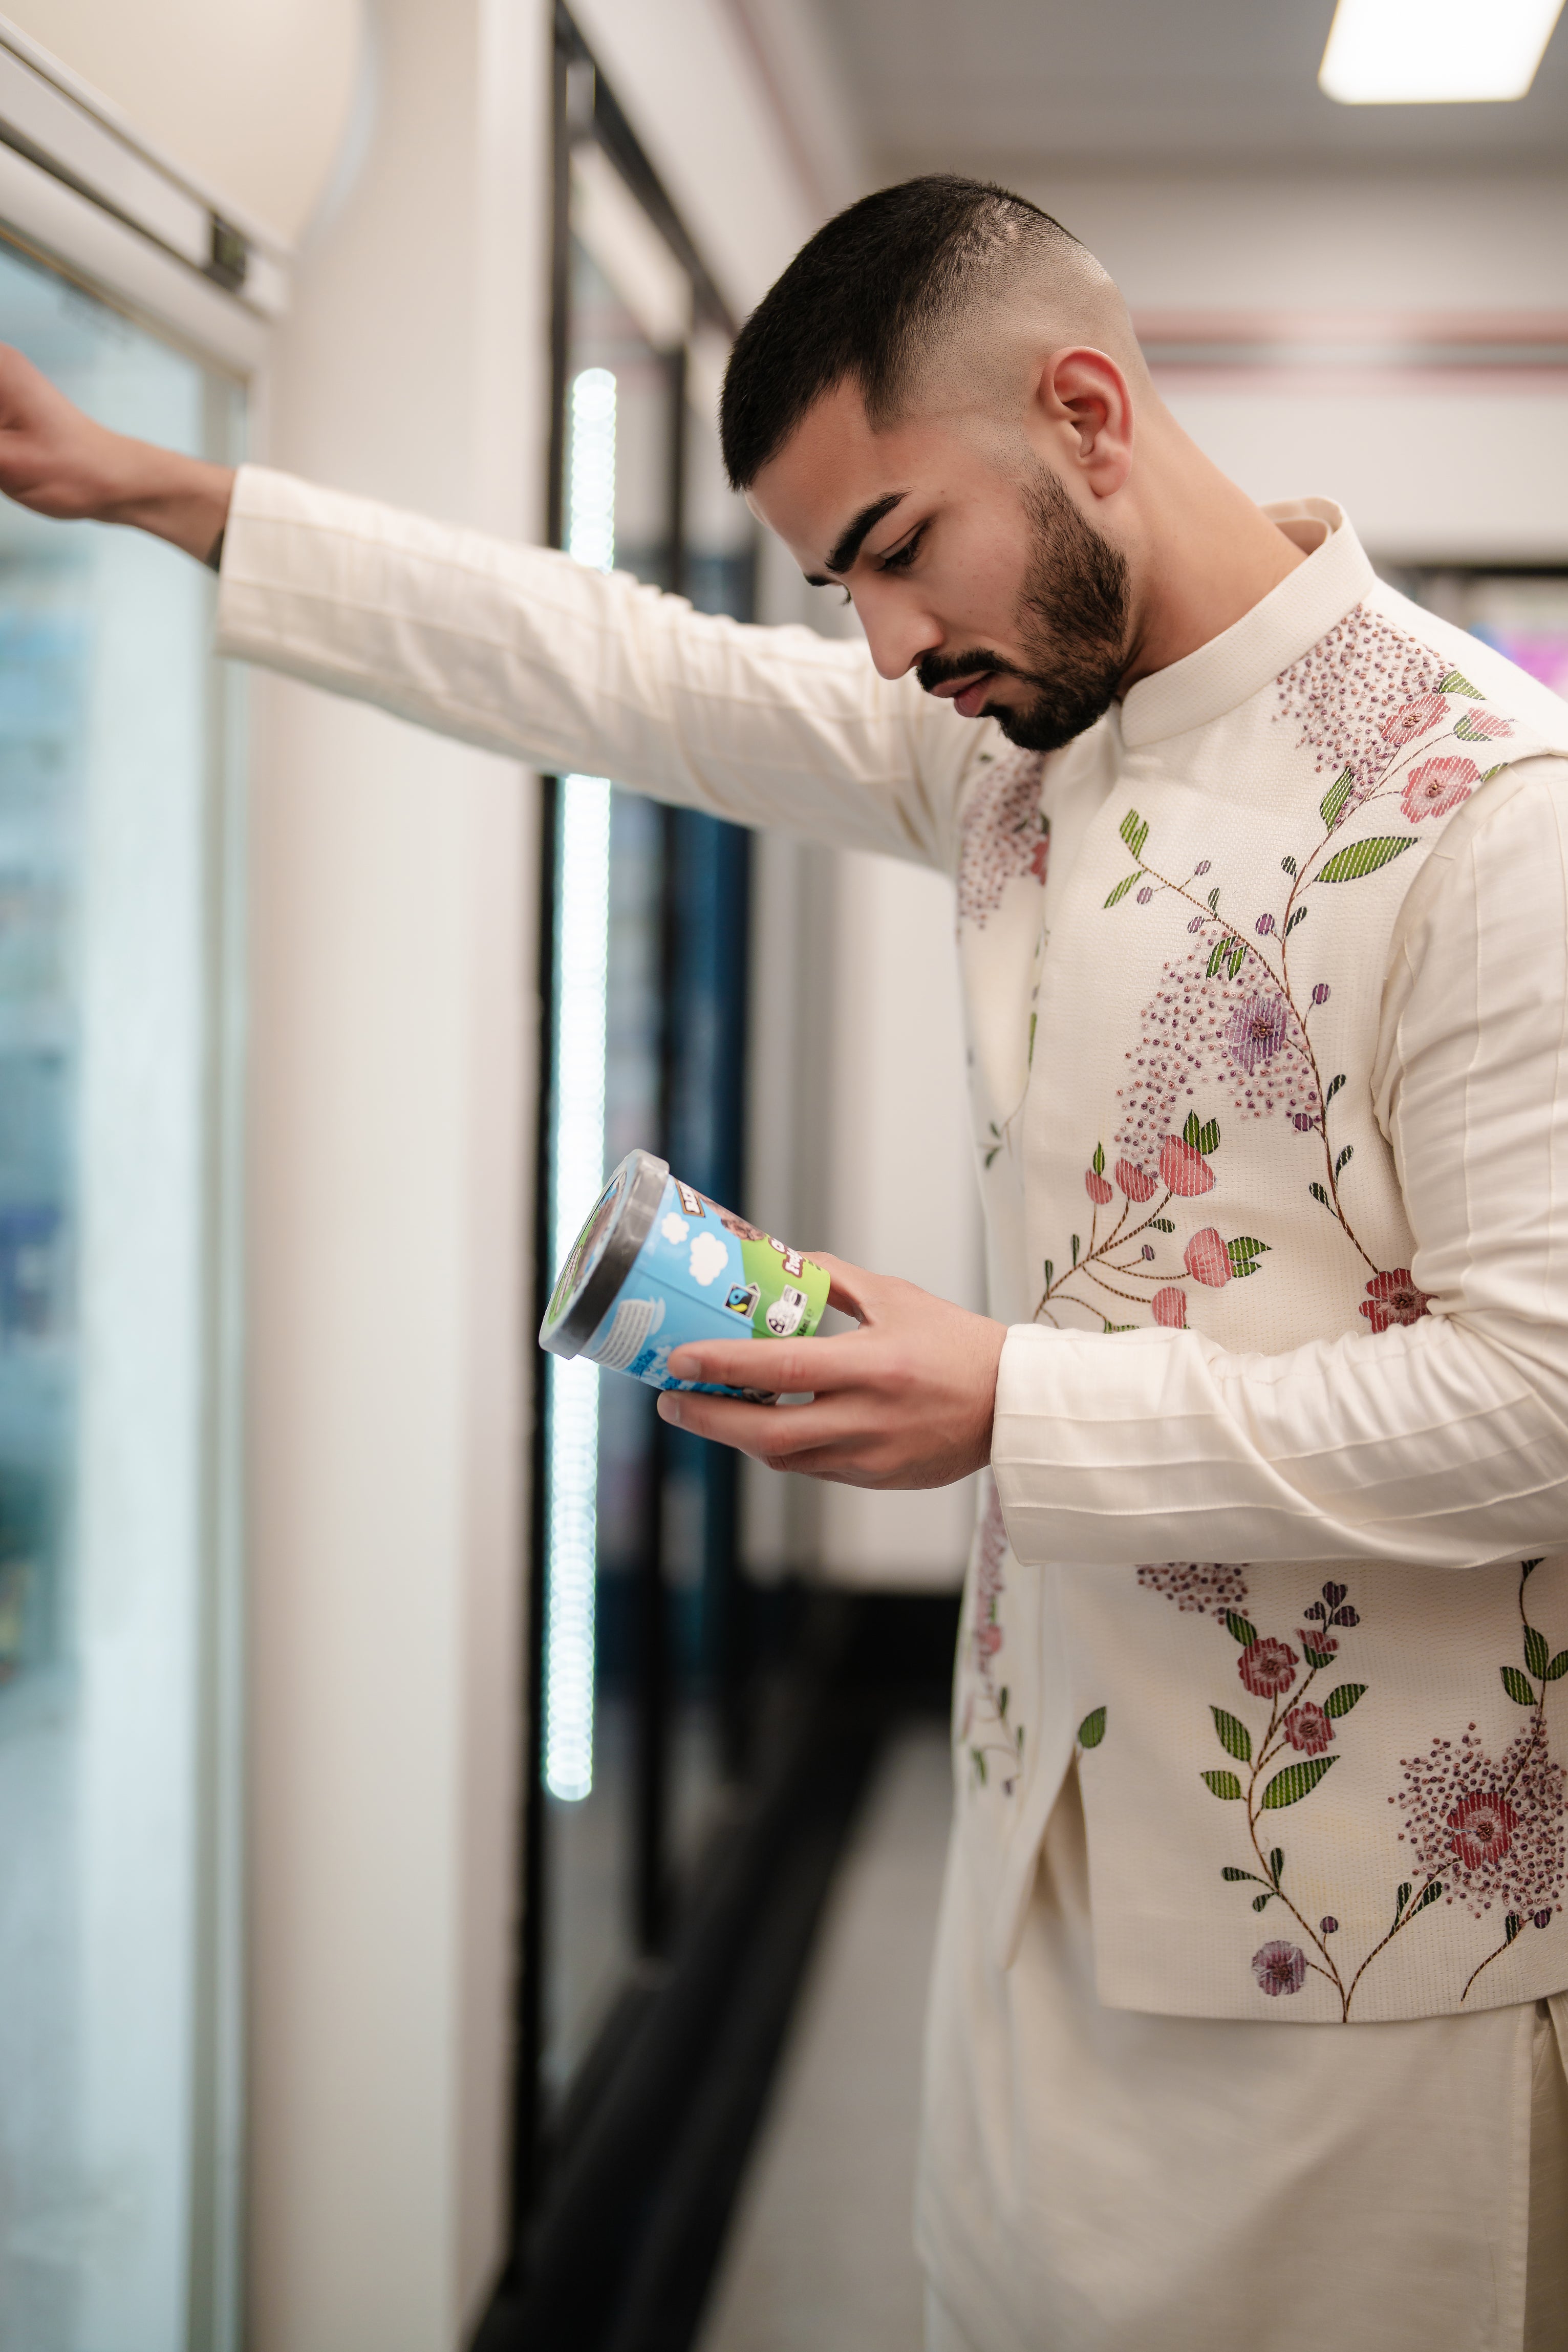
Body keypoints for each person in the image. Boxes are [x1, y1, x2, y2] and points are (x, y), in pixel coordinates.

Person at [3, 174, 1566, 2350]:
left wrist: (1005, 1403)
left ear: (1089, 414)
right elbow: (623, 670)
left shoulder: (1495, 814)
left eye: (899, 547)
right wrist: (167, 491)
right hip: (1027, 1855)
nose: (889, 648)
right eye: (841, 584)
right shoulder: (1016, 750)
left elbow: (1542, 1410)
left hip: (1371, 1946)